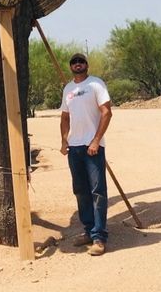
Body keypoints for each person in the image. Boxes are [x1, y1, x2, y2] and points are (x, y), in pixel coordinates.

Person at [60, 52, 112, 256]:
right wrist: (64, 141)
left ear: (86, 65)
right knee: (80, 191)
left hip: (93, 147)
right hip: (75, 148)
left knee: (98, 192)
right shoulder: (68, 89)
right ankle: (89, 231)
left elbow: (107, 112)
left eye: (81, 61)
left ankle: (99, 237)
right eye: (74, 62)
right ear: (70, 66)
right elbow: (64, 117)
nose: (78, 64)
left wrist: (96, 140)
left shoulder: (96, 84)